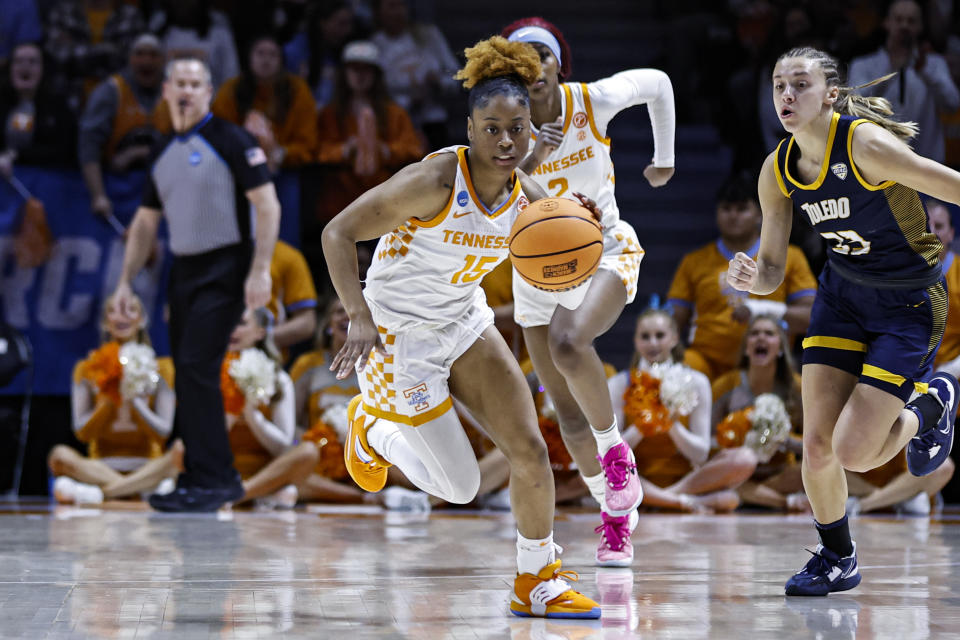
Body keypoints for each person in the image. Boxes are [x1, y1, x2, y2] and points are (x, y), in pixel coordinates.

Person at [321, 36, 600, 618]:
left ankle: (537, 580)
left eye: (517, 128)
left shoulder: (530, 197)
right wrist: (358, 317)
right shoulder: (434, 181)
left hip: (464, 321)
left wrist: (581, 231)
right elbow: (338, 233)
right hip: (400, 336)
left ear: (531, 130)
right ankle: (370, 430)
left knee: (529, 449)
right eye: (492, 128)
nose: (506, 141)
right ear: (470, 129)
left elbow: (563, 255)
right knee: (461, 488)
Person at [726, 46, 960, 596]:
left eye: (800, 85)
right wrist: (749, 278)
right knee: (818, 447)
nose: (787, 95)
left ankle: (931, 407)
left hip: (908, 301)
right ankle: (837, 558)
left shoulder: (865, 145)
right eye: (779, 85)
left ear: (830, 94)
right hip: (842, 298)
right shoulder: (777, 170)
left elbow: (949, 184)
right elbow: (774, 271)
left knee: (856, 451)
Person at [500, 16, 674, 566]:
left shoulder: (590, 100)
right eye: (521, 63)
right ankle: (615, 515)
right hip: (534, 270)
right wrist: (531, 160)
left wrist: (663, 158)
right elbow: (490, 203)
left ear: (558, 64)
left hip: (603, 248)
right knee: (565, 416)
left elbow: (659, 84)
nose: (535, 70)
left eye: (542, 58)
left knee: (570, 343)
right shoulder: (503, 129)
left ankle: (616, 453)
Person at [111, 56, 280, 512]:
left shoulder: (231, 140)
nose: (186, 90)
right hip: (183, 269)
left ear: (208, 91)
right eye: (179, 83)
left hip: (226, 266)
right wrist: (125, 282)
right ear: (166, 90)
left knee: (195, 365)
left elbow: (267, 204)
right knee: (187, 373)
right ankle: (197, 476)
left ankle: (217, 478)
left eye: (195, 83)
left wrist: (260, 269)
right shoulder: (162, 150)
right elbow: (145, 223)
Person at [668, 172, 817, 382]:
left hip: (768, 360)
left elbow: (811, 315)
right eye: (726, 209)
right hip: (707, 363)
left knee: (800, 385)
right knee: (679, 371)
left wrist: (760, 310)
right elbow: (672, 322)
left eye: (742, 209)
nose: (733, 216)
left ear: (759, 213)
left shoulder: (790, 257)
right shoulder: (694, 261)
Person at [609, 308, 757, 514]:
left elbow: (700, 454)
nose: (653, 343)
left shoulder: (697, 381)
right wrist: (645, 425)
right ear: (635, 341)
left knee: (745, 458)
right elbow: (613, 456)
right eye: (645, 336)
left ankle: (662, 498)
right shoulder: (618, 383)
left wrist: (671, 423)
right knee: (592, 467)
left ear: (674, 338)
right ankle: (680, 503)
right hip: (635, 476)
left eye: (660, 335)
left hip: (687, 480)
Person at [291, 297, 430, 510]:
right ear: (328, 323)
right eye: (339, 311)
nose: (347, 316)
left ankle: (407, 493)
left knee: (401, 457)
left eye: (355, 312)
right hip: (323, 454)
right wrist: (321, 440)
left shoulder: (382, 364)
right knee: (294, 472)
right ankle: (369, 497)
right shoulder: (308, 365)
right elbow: (292, 422)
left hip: (370, 451)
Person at [48, 293, 183, 504]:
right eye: (113, 310)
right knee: (59, 455)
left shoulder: (163, 368)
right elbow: (81, 432)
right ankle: (141, 492)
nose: (121, 316)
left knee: (181, 451)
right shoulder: (87, 368)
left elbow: (163, 432)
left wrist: (136, 401)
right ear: (105, 322)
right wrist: (109, 400)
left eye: (130, 309)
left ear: (142, 319)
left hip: (148, 465)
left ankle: (103, 494)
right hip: (99, 466)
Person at [314, 39, 423, 224]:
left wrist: (385, 150)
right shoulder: (330, 113)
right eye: (354, 69)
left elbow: (413, 148)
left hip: (383, 197)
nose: (360, 75)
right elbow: (318, 150)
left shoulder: (394, 113)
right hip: (341, 198)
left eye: (366, 70)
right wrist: (345, 150)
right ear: (345, 74)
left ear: (376, 75)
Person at [222, 307, 318, 508]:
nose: (231, 329)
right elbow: (204, 441)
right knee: (182, 447)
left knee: (307, 451)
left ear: (261, 331)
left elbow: (283, 445)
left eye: (240, 323)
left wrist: (252, 414)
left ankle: (239, 494)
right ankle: (251, 495)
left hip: (267, 472)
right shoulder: (210, 376)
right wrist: (232, 409)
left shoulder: (279, 380)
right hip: (222, 467)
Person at [712, 314, 807, 512]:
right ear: (746, 347)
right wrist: (736, 437)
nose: (761, 338)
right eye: (754, 334)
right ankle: (784, 502)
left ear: (781, 347)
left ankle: (755, 496)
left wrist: (783, 439)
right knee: (718, 473)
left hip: (781, 474)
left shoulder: (796, 386)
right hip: (738, 471)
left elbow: (812, 444)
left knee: (813, 469)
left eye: (769, 333)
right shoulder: (726, 384)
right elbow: (708, 441)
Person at [847, 0, 960, 164]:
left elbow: (952, 104)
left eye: (911, 21)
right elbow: (854, 104)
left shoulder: (934, 64)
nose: (904, 26)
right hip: (879, 163)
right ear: (887, 22)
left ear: (920, 26)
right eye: (899, 19)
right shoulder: (864, 64)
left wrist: (925, 70)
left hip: (927, 164)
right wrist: (890, 71)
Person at [78, 33, 170, 221]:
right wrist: (98, 196)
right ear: (129, 59)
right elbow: (88, 146)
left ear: (164, 61)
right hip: (116, 189)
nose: (146, 61)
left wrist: (139, 152)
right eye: (140, 54)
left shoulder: (177, 94)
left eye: (153, 55)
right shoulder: (110, 92)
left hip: (164, 192)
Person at [212, 34, 319, 172]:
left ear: (282, 60)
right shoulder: (231, 88)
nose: (266, 60)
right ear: (249, 58)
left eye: (273, 54)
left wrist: (281, 154)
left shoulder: (298, 89)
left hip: (286, 167)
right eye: (260, 53)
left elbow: (308, 144)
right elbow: (219, 133)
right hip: (240, 166)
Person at [371, 0, 459, 149]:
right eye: (392, 6)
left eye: (401, 5)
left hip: (432, 122)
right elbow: (372, 89)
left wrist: (438, 82)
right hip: (394, 124)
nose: (398, 12)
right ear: (379, 11)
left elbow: (456, 75)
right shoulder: (375, 45)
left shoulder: (428, 36)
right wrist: (408, 101)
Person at [43, 0, 146, 110]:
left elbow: (134, 60)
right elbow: (59, 56)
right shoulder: (63, 13)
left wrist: (80, 54)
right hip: (68, 104)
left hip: (122, 105)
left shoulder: (130, 16)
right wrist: (109, 51)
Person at [0, 42, 78, 178]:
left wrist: (15, 155)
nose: (25, 66)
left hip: (47, 179)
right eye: (18, 61)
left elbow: (63, 151)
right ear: (10, 68)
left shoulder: (58, 106)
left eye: (33, 61)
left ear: (43, 69)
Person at [927, 199, 960, 376]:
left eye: (939, 226)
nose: (931, 232)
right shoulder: (899, 275)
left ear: (951, 234)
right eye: (925, 225)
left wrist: (952, 369)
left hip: (952, 379)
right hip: (906, 378)